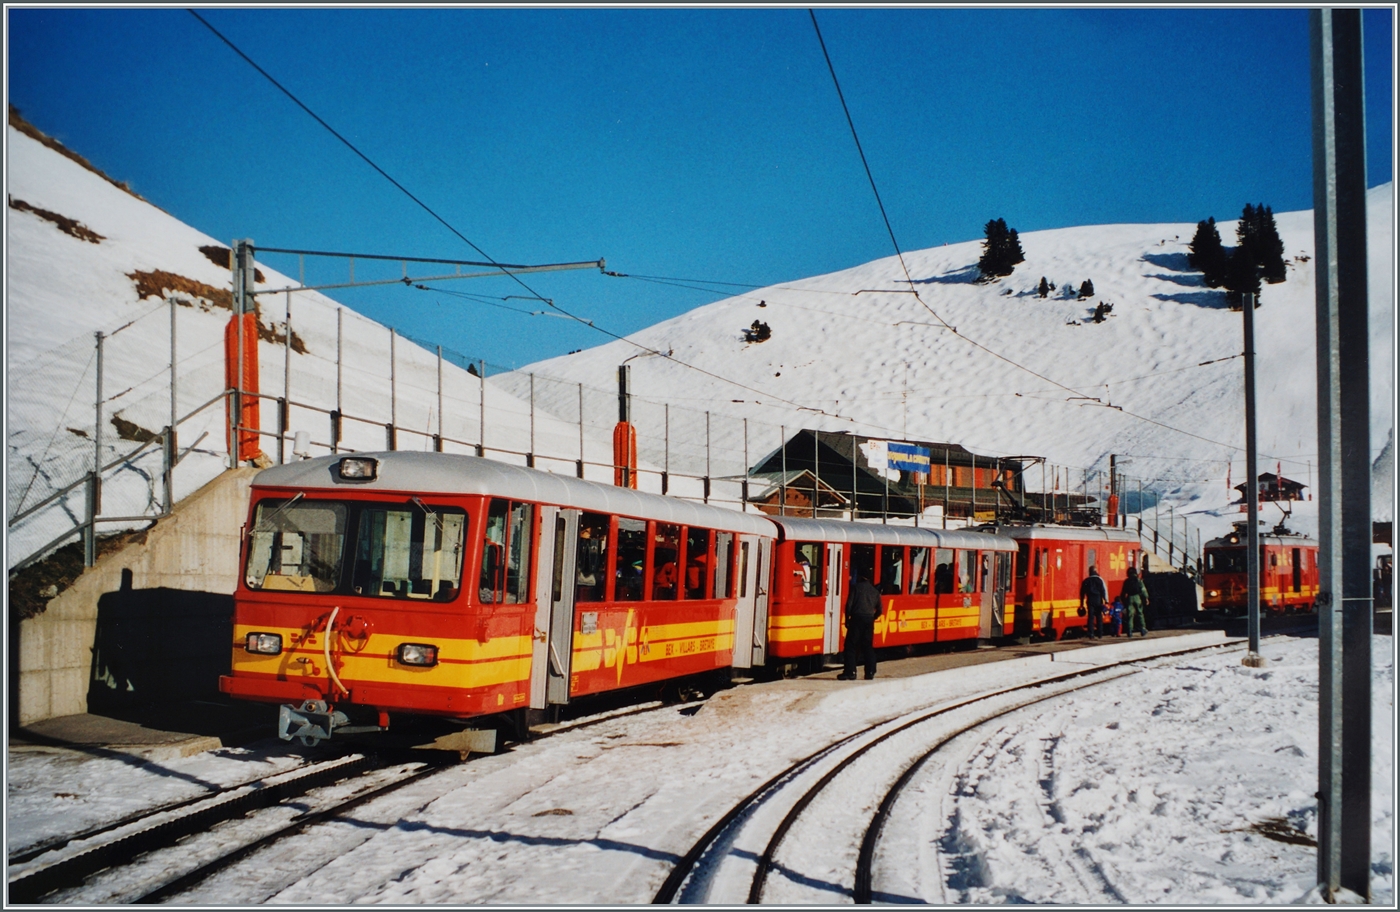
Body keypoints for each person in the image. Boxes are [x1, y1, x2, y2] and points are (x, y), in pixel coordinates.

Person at [839, 571, 882, 680]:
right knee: (868, 646)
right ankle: (870, 672)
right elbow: (880, 610)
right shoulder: (874, 591)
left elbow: (849, 605)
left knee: (851, 646)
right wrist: (873, 617)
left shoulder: (855, 588)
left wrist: (847, 619)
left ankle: (850, 672)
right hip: (869, 620)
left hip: (856, 619)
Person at [1079, 566, 1109, 638]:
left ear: (1089, 572)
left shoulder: (1086, 581)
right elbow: (1104, 591)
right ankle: (1100, 633)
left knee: (1090, 617)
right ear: (1096, 571)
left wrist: (1081, 604)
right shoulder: (1100, 580)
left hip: (1090, 600)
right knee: (1099, 616)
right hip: (1098, 600)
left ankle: (1091, 633)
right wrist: (1106, 601)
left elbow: (1082, 593)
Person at [1122, 566, 1150, 636]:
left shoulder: (1126, 581)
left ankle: (1129, 631)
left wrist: (1123, 600)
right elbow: (1143, 590)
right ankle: (1143, 629)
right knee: (1140, 613)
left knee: (1130, 615)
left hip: (1129, 598)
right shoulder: (1138, 580)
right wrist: (1146, 598)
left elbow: (1123, 592)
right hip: (1137, 598)